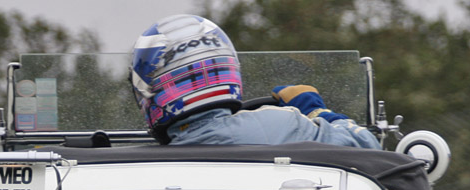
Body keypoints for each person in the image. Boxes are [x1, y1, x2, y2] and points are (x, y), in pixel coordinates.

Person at [130, 14, 381, 149]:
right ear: (226, 68)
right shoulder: (279, 124)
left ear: (151, 89)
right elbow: (365, 145)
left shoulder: (143, 164)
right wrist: (314, 109)